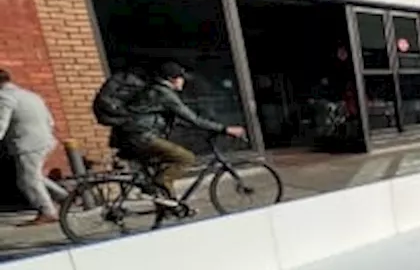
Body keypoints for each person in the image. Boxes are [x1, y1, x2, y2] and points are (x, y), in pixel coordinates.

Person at [103, 62, 245, 201]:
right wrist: (224, 129)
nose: (183, 82)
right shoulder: (165, 94)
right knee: (185, 158)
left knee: (161, 169)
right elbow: (192, 118)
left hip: (131, 135)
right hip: (141, 137)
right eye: (181, 78)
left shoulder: (155, 90)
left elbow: (170, 118)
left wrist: (196, 127)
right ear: (172, 79)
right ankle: (161, 186)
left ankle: (168, 205)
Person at [0, 69, 68, 226]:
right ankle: (64, 197)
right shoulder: (30, 95)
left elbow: (1, 124)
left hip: (27, 144)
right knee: (35, 176)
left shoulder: (4, 97)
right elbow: (50, 120)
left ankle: (48, 211)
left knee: (27, 181)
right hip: (45, 140)